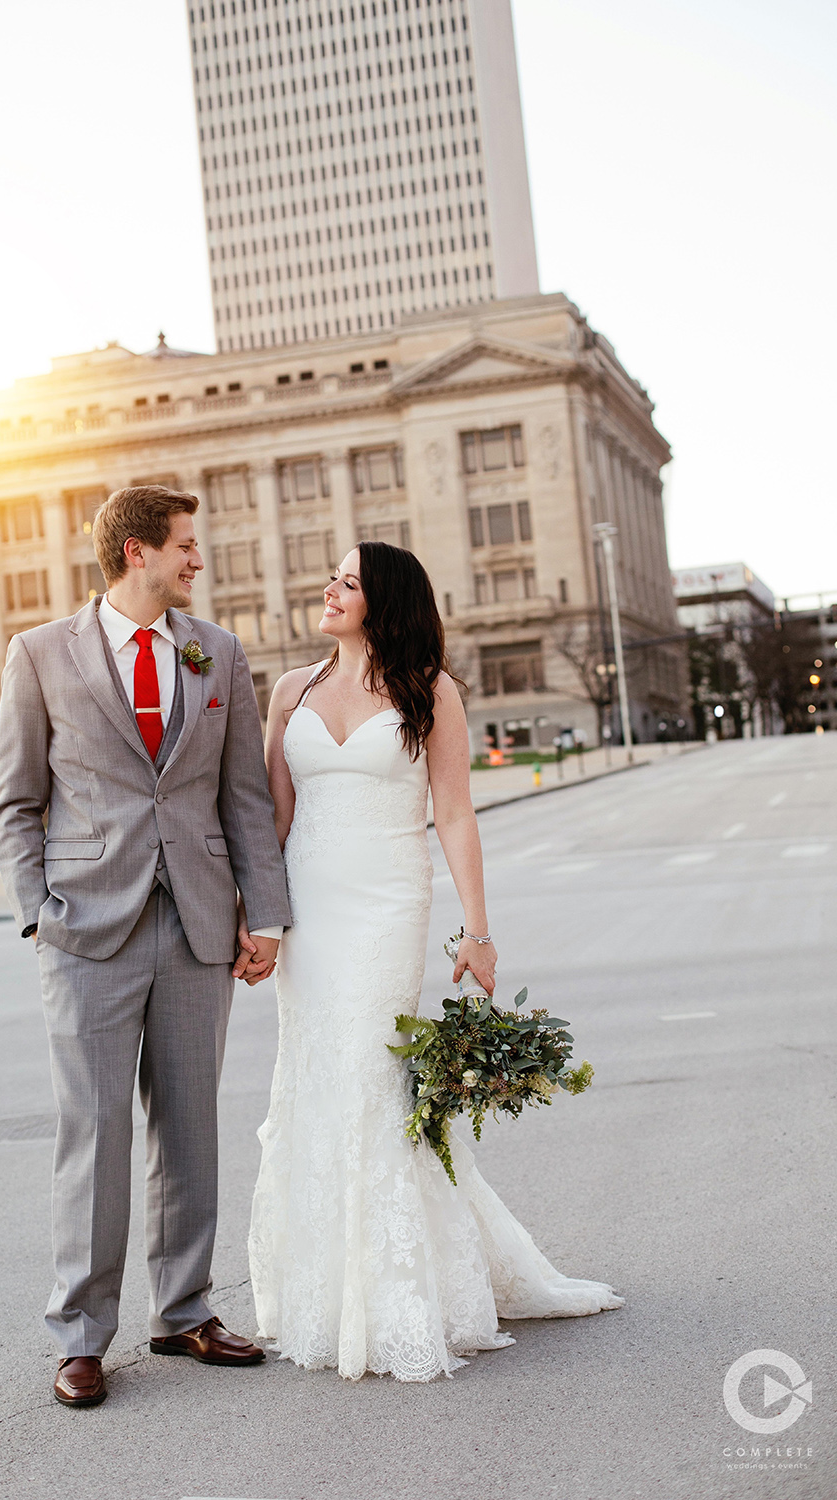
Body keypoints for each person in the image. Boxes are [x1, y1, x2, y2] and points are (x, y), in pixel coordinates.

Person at [248, 541, 623, 1382]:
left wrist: (476, 930)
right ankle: (326, 1292)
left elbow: (454, 814)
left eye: (346, 580)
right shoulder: (289, 690)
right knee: (316, 1079)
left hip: (386, 903)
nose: (329, 587)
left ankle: (401, 1294)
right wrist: (257, 920)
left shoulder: (430, 692)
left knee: (376, 1080)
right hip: (309, 913)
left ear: (384, 601)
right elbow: (271, 820)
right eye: (332, 575)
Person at [0, 486, 291, 1407]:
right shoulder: (40, 654)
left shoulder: (218, 652)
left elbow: (243, 796)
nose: (197, 560)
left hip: (199, 922)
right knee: (95, 1131)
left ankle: (187, 1311)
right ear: (136, 553)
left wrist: (265, 913)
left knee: (190, 1126)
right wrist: (38, 912)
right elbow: (15, 803)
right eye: (185, 546)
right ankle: (81, 1334)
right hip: (86, 927)